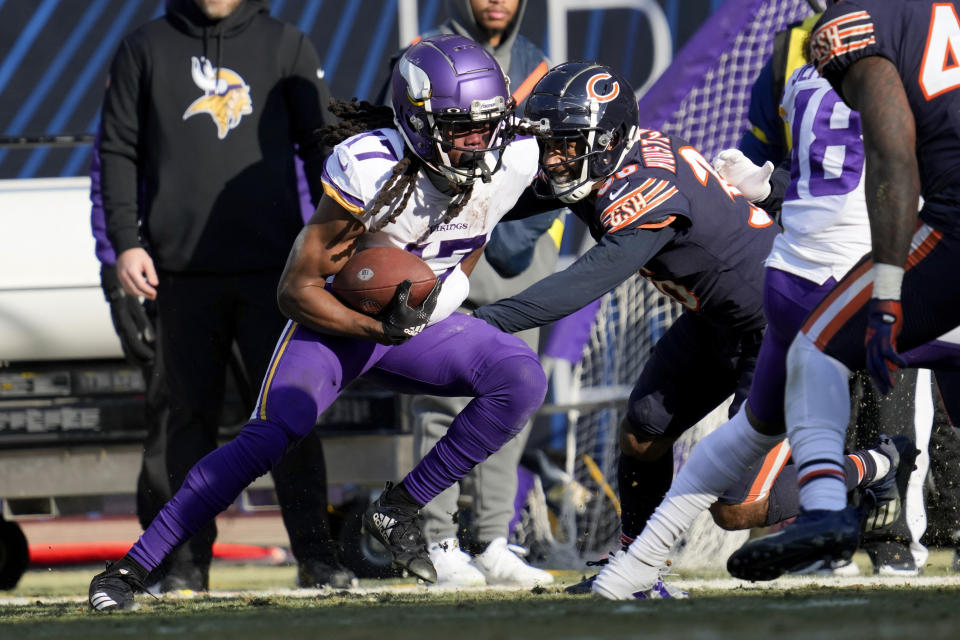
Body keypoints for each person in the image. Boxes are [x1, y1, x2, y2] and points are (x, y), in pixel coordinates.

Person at [88, 33, 548, 611]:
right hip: (338, 322)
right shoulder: (371, 169)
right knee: (270, 436)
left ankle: (401, 507)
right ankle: (130, 569)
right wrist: (382, 330)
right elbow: (295, 291)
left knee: (520, 377)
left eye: (487, 123)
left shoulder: (513, 155)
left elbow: (474, 231)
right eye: (460, 126)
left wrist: (443, 295)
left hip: (414, 321)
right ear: (417, 118)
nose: (478, 140)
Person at [587, 46, 929, 599]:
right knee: (690, 445)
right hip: (782, 285)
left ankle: (879, 484)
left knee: (746, 495)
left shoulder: (916, 72)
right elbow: (812, 181)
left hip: (865, 280)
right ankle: (638, 564)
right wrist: (766, 187)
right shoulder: (801, 74)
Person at [469, 60, 781, 598]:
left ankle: (873, 468)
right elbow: (507, 202)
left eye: (567, 144)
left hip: (779, 327)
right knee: (643, 433)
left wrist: (478, 324)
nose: (555, 158)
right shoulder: (608, 161)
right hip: (716, 320)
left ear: (606, 140)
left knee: (738, 509)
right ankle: (638, 569)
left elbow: (578, 286)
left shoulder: (643, 191)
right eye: (551, 144)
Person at [93, 0, 352, 591]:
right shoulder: (144, 47)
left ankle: (317, 557)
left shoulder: (288, 44)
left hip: (277, 277)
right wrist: (126, 244)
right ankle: (185, 566)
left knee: (291, 415)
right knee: (185, 426)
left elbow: (323, 153)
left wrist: (337, 241)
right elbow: (117, 150)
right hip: (179, 276)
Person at [727, 0, 960, 581]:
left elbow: (899, 156)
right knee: (830, 386)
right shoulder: (789, 49)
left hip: (905, 237)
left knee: (889, 389)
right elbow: (768, 154)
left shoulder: (887, 30)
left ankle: (880, 529)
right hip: (832, 250)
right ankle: (832, 517)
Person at [400, 0, 559, 588]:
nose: (497, 1)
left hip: (518, 261)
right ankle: (438, 539)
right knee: (440, 405)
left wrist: (516, 231)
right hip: (442, 252)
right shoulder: (424, 57)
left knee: (512, 400)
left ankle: (493, 539)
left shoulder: (537, 63)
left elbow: (550, 166)